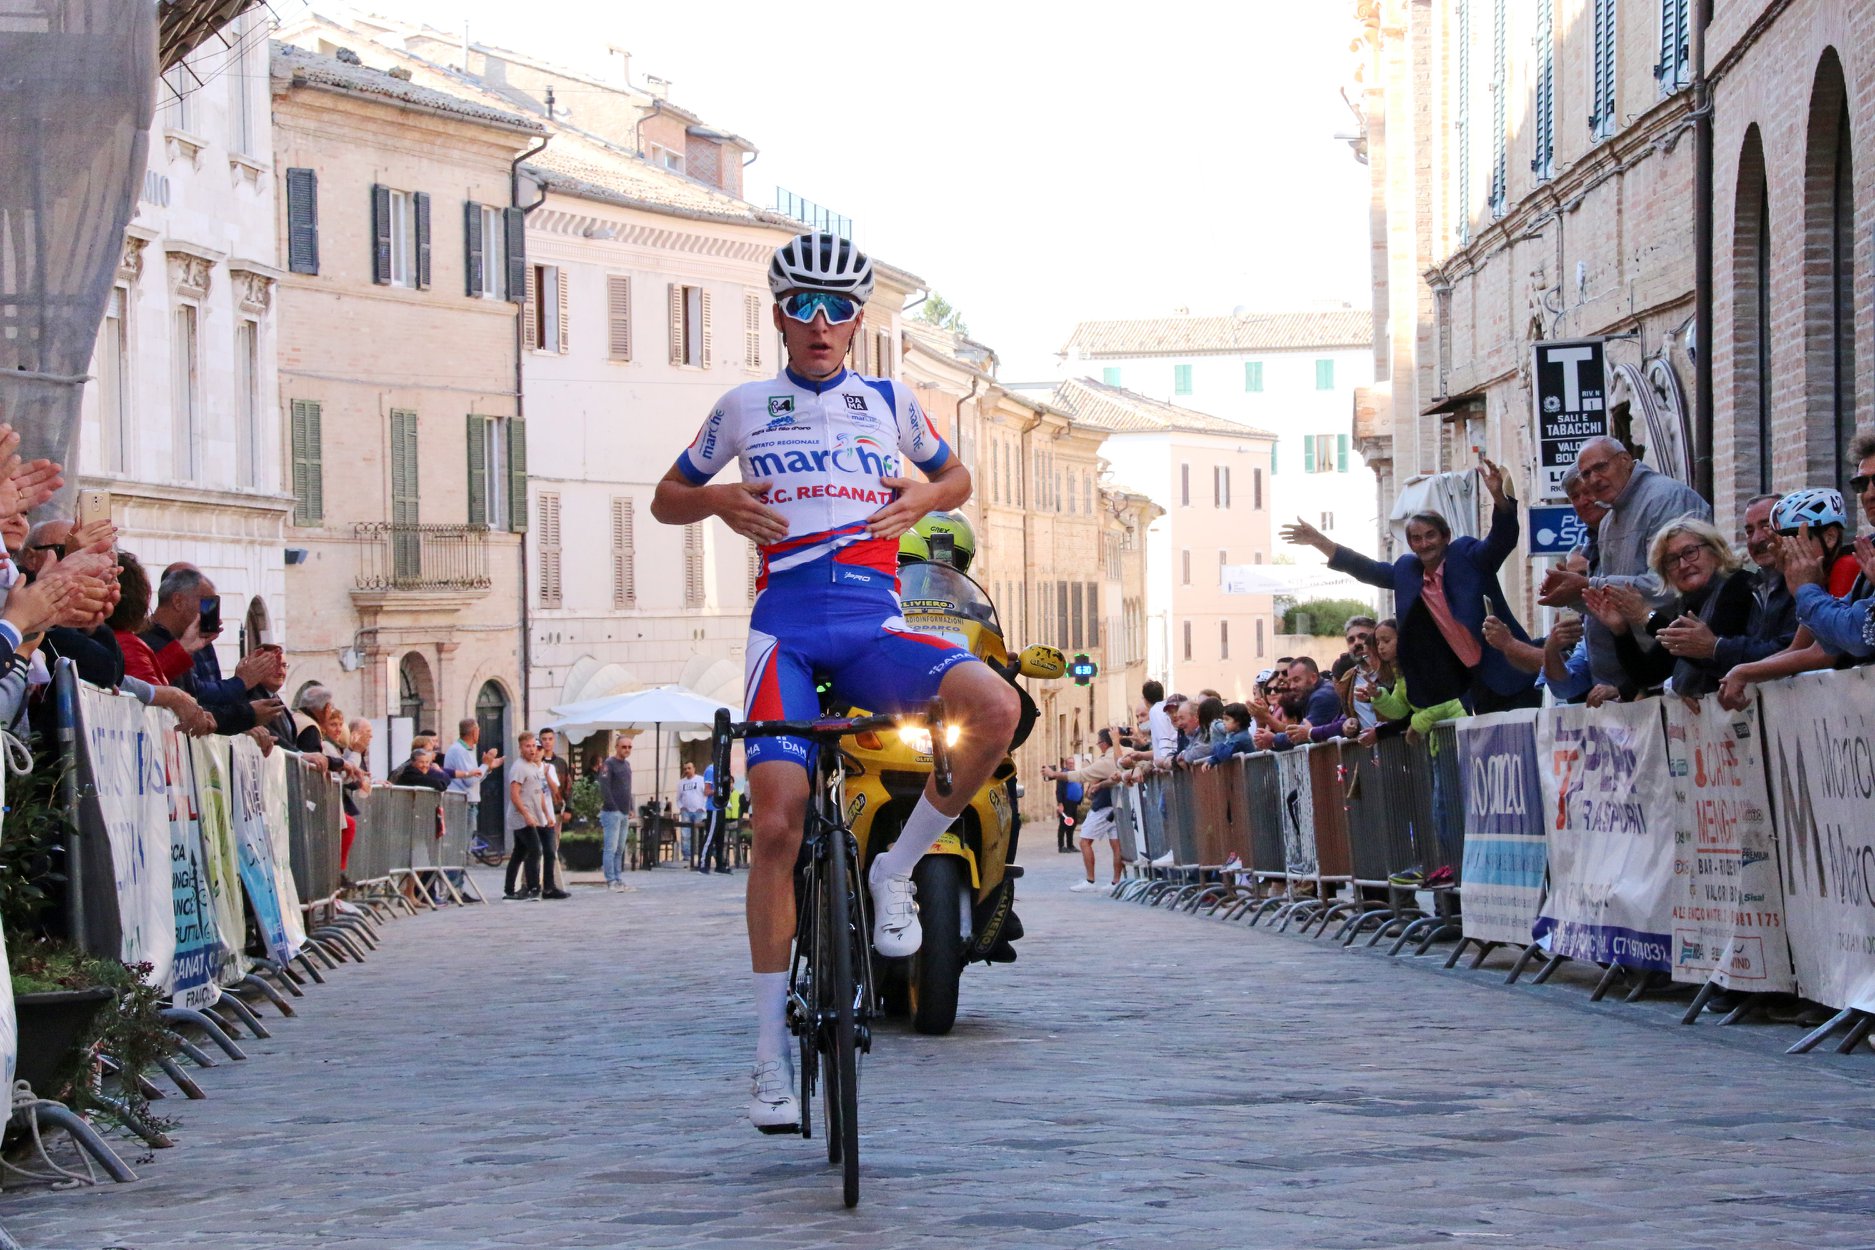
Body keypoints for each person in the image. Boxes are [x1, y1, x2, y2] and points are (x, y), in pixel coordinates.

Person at [649, 231, 1019, 1133]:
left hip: (876, 626)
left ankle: (892, 870)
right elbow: (664, 495)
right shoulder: (743, 406)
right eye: (803, 307)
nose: (820, 324)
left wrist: (926, 498)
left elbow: (958, 475)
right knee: (775, 823)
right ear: (778, 313)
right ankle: (769, 1055)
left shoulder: (890, 402)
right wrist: (713, 500)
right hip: (785, 633)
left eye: (838, 309)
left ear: (858, 322)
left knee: (994, 705)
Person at [1282, 456, 1537, 713]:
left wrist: (1500, 500)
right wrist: (1319, 542)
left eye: (1430, 536)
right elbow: (1366, 569)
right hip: (1469, 683)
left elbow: (1500, 541)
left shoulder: (1466, 555)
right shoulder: (1407, 571)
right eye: (1416, 538)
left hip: (1509, 668)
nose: (1424, 544)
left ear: (1445, 537)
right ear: (1411, 544)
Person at [1539, 436, 1712, 688]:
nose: (1594, 479)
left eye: (1600, 467)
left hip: (1682, 668)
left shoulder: (1665, 498)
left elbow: (1669, 586)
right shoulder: (1609, 519)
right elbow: (1611, 608)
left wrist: (1586, 585)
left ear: (1625, 460)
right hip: (1635, 676)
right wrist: (1575, 594)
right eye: (1586, 474)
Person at [1582, 517, 1754, 699]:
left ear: (1715, 551)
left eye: (1690, 552)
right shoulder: (1689, 604)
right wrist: (1620, 630)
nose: (1683, 565)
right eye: (1671, 560)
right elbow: (1647, 673)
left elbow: (1706, 651)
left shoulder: (1738, 585)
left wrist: (1645, 615)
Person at [1043, 729, 1123, 891]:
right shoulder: (1125, 752)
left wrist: (1053, 774)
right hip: (1118, 806)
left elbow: (1081, 775)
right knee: (1116, 845)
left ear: (1104, 743)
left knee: (1085, 841)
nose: (1098, 746)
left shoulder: (1107, 760)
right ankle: (1116, 882)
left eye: (1099, 743)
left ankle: (1090, 881)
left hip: (1103, 806)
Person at [503, 732, 555, 900]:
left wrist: (546, 814)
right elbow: (514, 794)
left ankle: (509, 889)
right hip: (521, 817)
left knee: (519, 852)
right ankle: (533, 887)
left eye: (534, 746)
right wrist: (525, 814)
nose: (532, 749)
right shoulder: (519, 767)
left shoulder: (533, 766)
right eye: (528, 746)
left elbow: (538, 793)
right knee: (535, 850)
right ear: (520, 748)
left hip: (533, 815)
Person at [443, 719, 498, 847]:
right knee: (462, 844)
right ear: (474, 732)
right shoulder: (460, 751)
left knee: (466, 842)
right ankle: (458, 866)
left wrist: (488, 768)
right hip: (463, 802)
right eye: (478, 730)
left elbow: (475, 779)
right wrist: (485, 764)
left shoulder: (466, 750)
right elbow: (470, 780)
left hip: (468, 801)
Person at [597, 734, 635, 891]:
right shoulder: (609, 764)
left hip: (624, 812)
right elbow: (604, 787)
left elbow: (628, 788)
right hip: (612, 812)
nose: (626, 750)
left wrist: (631, 807)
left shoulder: (627, 765)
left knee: (620, 848)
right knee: (610, 848)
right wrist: (613, 806)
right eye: (624, 746)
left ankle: (618, 878)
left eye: (629, 747)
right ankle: (611, 880)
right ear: (616, 747)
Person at [675, 761, 709, 864]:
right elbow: (678, 798)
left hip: (699, 811)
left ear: (694, 768)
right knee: (685, 834)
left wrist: (703, 808)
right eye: (685, 769)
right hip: (686, 812)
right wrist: (682, 807)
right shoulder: (681, 783)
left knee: (699, 833)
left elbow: (706, 795)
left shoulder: (701, 780)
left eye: (689, 768)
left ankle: (699, 854)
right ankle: (687, 855)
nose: (687, 771)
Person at [1053, 757, 1082, 853]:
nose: (1071, 765)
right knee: (1063, 825)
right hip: (1066, 803)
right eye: (1069, 763)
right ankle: (1061, 846)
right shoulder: (1063, 775)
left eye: (1072, 763)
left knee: (1073, 823)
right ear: (1066, 764)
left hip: (1074, 803)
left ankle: (1070, 845)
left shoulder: (1074, 773)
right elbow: (1059, 790)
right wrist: (1060, 803)